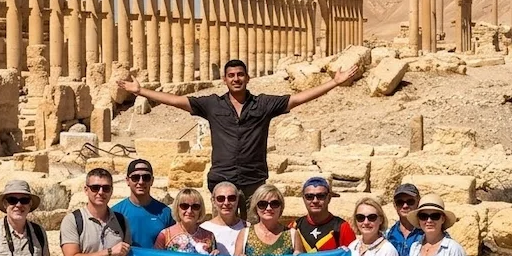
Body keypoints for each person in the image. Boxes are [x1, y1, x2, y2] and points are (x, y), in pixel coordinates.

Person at [118, 59, 357, 201]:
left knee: (255, 233)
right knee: (223, 234)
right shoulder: (212, 104)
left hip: (254, 181)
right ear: (224, 79)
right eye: (231, 75)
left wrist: (334, 82)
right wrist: (141, 91)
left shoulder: (263, 104)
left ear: (247, 77)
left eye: (240, 75)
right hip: (222, 180)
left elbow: (296, 99)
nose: (236, 79)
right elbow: (176, 101)